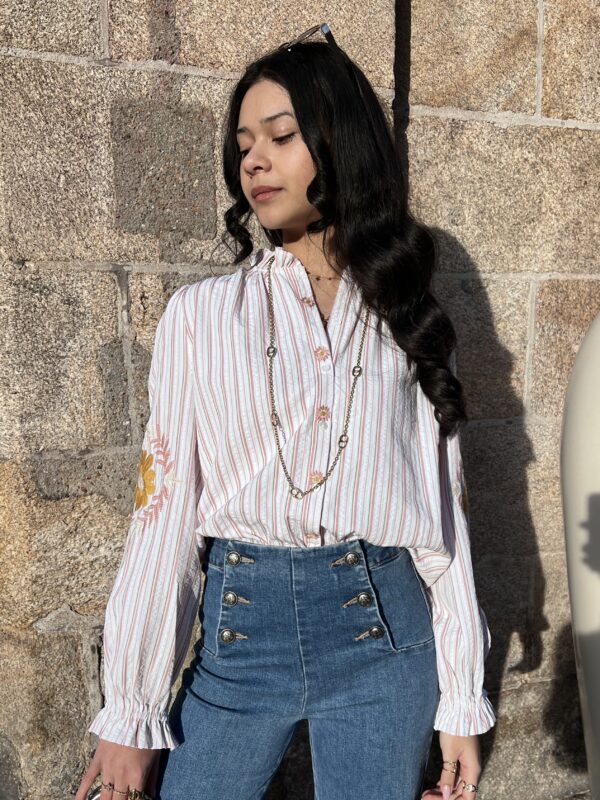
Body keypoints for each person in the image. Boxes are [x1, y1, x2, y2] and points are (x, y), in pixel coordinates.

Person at [75, 23, 496, 800]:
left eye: (279, 135)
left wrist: (463, 700)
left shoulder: (407, 316)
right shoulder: (202, 316)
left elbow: (444, 524)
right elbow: (162, 517)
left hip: (385, 637)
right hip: (241, 639)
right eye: (243, 144)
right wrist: (129, 711)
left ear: (340, 145)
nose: (253, 161)